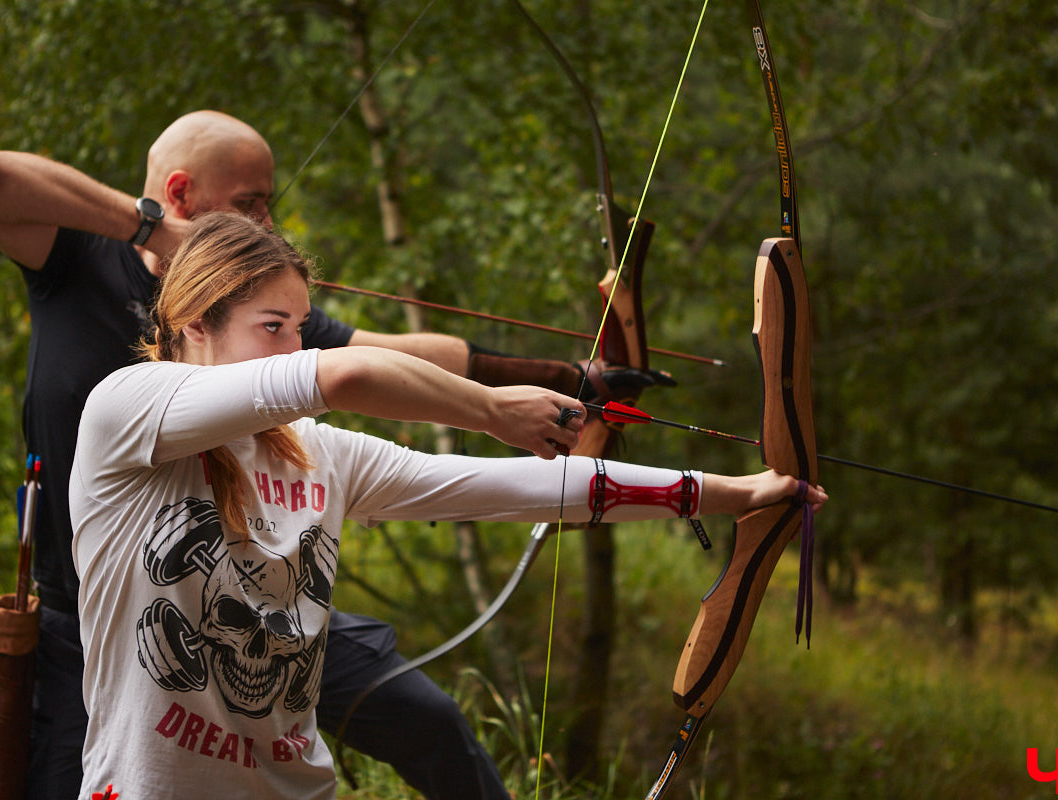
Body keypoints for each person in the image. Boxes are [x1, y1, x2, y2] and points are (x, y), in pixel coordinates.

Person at [0, 109, 671, 800]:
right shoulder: (79, 258)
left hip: (263, 607)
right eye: (251, 202)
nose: (266, 221)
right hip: (95, 612)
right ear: (180, 192)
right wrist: (151, 229)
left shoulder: (266, 318)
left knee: (431, 722)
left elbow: (387, 357)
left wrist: (567, 378)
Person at [69, 211, 826, 799]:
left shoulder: (315, 453)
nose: (294, 348)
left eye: (299, 328)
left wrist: (735, 493)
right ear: (196, 322)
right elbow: (343, 375)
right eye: (272, 327)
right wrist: (493, 407)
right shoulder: (127, 410)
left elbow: (521, 487)